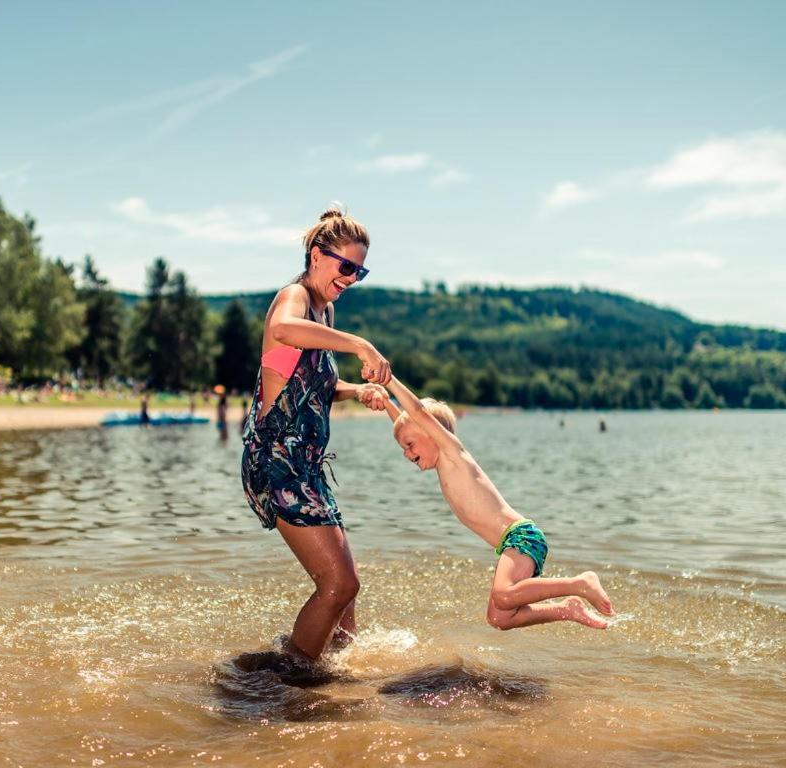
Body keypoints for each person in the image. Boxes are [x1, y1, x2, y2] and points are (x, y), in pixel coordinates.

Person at [241, 206, 391, 662]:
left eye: (359, 271)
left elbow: (315, 389)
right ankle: (293, 679)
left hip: (305, 467)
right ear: (316, 255)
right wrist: (360, 344)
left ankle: (340, 669)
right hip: (278, 464)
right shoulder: (296, 297)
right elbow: (282, 330)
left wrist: (355, 390)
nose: (351, 277)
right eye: (346, 266)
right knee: (339, 583)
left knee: (345, 591)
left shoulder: (322, 314)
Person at [376, 372, 616, 630]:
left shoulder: (453, 454)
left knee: (504, 595)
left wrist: (387, 380)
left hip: (521, 536)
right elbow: (410, 425)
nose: (406, 453)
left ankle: (580, 583)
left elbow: (418, 414)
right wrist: (387, 403)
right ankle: (567, 609)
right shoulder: (438, 458)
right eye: (404, 448)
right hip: (510, 543)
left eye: (410, 445)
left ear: (432, 433)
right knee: (499, 618)